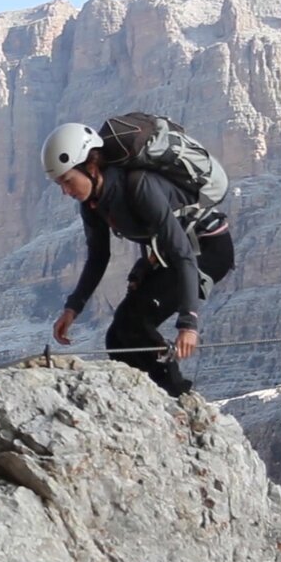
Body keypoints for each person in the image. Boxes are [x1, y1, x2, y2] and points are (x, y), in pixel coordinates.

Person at [42, 122, 234, 397]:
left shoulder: (139, 186)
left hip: (208, 250)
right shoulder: (93, 205)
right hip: (172, 254)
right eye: (59, 184)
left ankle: (178, 398)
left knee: (134, 324)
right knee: (117, 339)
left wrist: (188, 323)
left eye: (68, 180)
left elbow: (182, 253)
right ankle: (146, 399)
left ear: (91, 165)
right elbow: (98, 257)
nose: (66, 191)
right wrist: (72, 308)